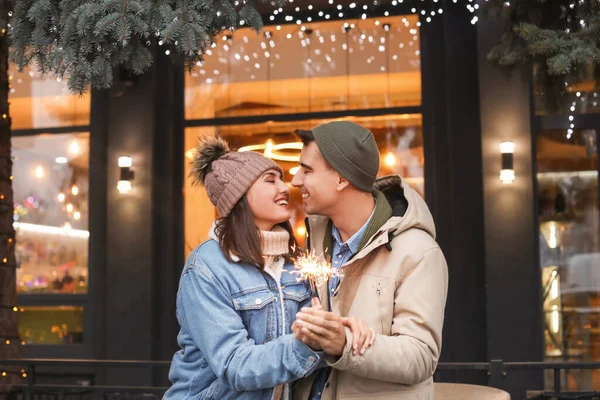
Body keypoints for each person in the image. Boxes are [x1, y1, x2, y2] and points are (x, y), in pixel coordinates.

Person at [165, 136, 375, 400]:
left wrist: (342, 333)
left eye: (281, 177)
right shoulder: (207, 267)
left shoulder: (292, 263)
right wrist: (304, 344)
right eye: (270, 180)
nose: (285, 187)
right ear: (238, 196)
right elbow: (234, 364)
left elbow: (311, 343)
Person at [290, 121, 449, 400]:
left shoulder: (419, 253)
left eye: (307, 170)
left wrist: (345, 344)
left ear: (341, 179)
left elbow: (421, 357)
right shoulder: (314, 239)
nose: (295, 180)